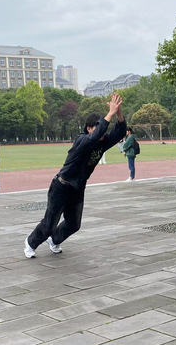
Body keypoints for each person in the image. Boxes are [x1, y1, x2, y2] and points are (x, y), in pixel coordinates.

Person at [24, 93, 126, 258]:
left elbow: (120, 132)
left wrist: (118, 113)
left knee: (74, 224)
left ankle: (54, 240)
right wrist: (109, 114)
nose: (101, 133)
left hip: (77, 188)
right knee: (49, 225)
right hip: (61, 186)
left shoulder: (102, 143)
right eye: (97, 128)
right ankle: (30, 242)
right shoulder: (81, 140)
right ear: (89, 128)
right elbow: (93, 138)